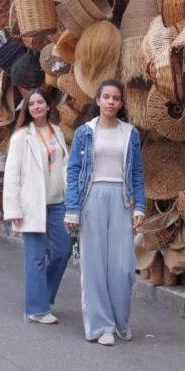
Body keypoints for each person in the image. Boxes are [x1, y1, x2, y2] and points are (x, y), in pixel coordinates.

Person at [64, 79, 146, 346]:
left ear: (121, 103)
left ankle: (121, 320)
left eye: (116, 98)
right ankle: (101, 326)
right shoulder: (84, 132)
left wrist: (140, 206)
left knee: (123, 266)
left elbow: (137, 172)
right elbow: (74, 170)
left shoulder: (130, 133)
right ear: (98, 100)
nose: (111, 102)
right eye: (106, 97)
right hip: (92, 198)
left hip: (121, 200)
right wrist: (72, 210)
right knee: (94, 265)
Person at [3, 89, 72, 324]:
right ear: (27, 109)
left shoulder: (57, 132)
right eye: (31, 104)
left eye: (40, 102)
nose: (36, 106)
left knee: (63, 251)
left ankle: (42, 296)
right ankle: (37, 309)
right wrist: (13, 209)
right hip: (32, 204)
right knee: (36, 258)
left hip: (57, 203)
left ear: (48, 106)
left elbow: (65, 166)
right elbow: (12, 175)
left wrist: (71, 198)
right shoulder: (21, 137)